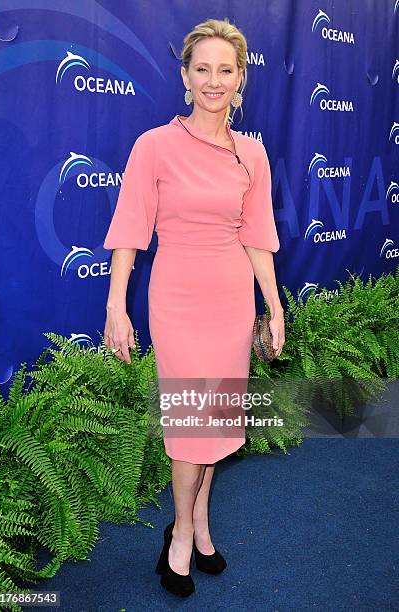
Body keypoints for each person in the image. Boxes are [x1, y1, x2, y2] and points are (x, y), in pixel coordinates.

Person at [103, 17, 285, 598]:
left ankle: (200, 521)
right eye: (201, 69)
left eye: (225, 70)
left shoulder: (252, 155)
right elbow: (130, 228)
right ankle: (180, 531)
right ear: (185, 77)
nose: (213, 81)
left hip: (231, 299)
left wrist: (274, 307)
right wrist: (116, 306)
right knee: (192, 424)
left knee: (216, 421)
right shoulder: (153, 145)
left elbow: (257, 235)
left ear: (240, 79)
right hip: (178, 297)